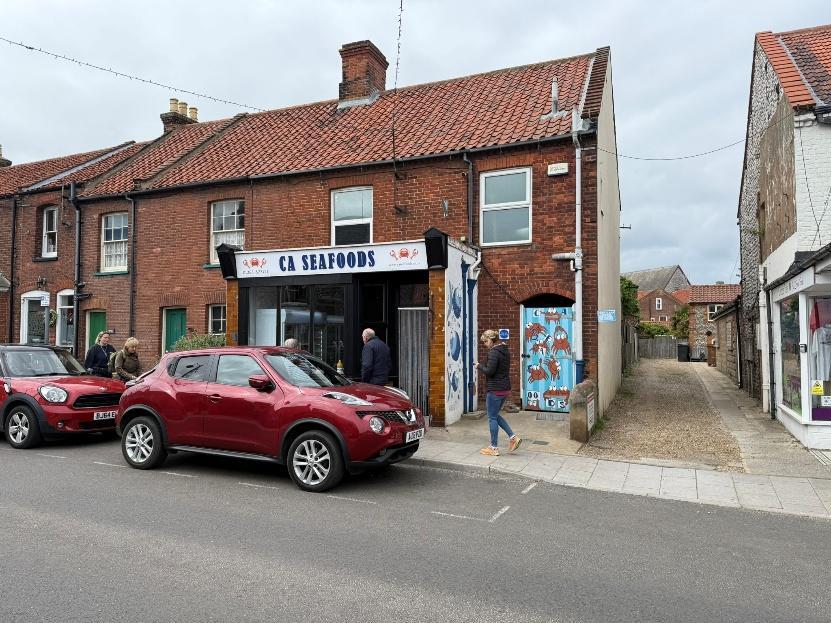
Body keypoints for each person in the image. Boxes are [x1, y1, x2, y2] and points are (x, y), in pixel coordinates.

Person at [475, 329, 521, 456]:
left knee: (491, 417)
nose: (485, 344)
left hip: (495, 389)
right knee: (495, 415)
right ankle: (513, 438)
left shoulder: (494, 352)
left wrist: (479, 366)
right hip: (504, 388)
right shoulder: (504, 350)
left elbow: (490, 371)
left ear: (491, 340)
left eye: (485, 341)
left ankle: (493, 447)